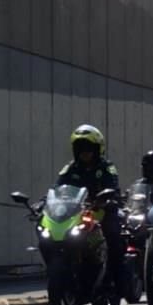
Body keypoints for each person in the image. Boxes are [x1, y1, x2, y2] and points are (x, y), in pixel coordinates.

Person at [56, 125, 125, 293]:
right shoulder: (70, 169)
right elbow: (57, 188)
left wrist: (108, 198)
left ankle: (114, 277)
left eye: (88, 148)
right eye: (80, 148)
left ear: (97, 149)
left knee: (114, 235)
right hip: (76, 213)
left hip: (102, 211)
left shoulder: (106, 167)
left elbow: (113, 187)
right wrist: (45, 201)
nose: (84, 152)